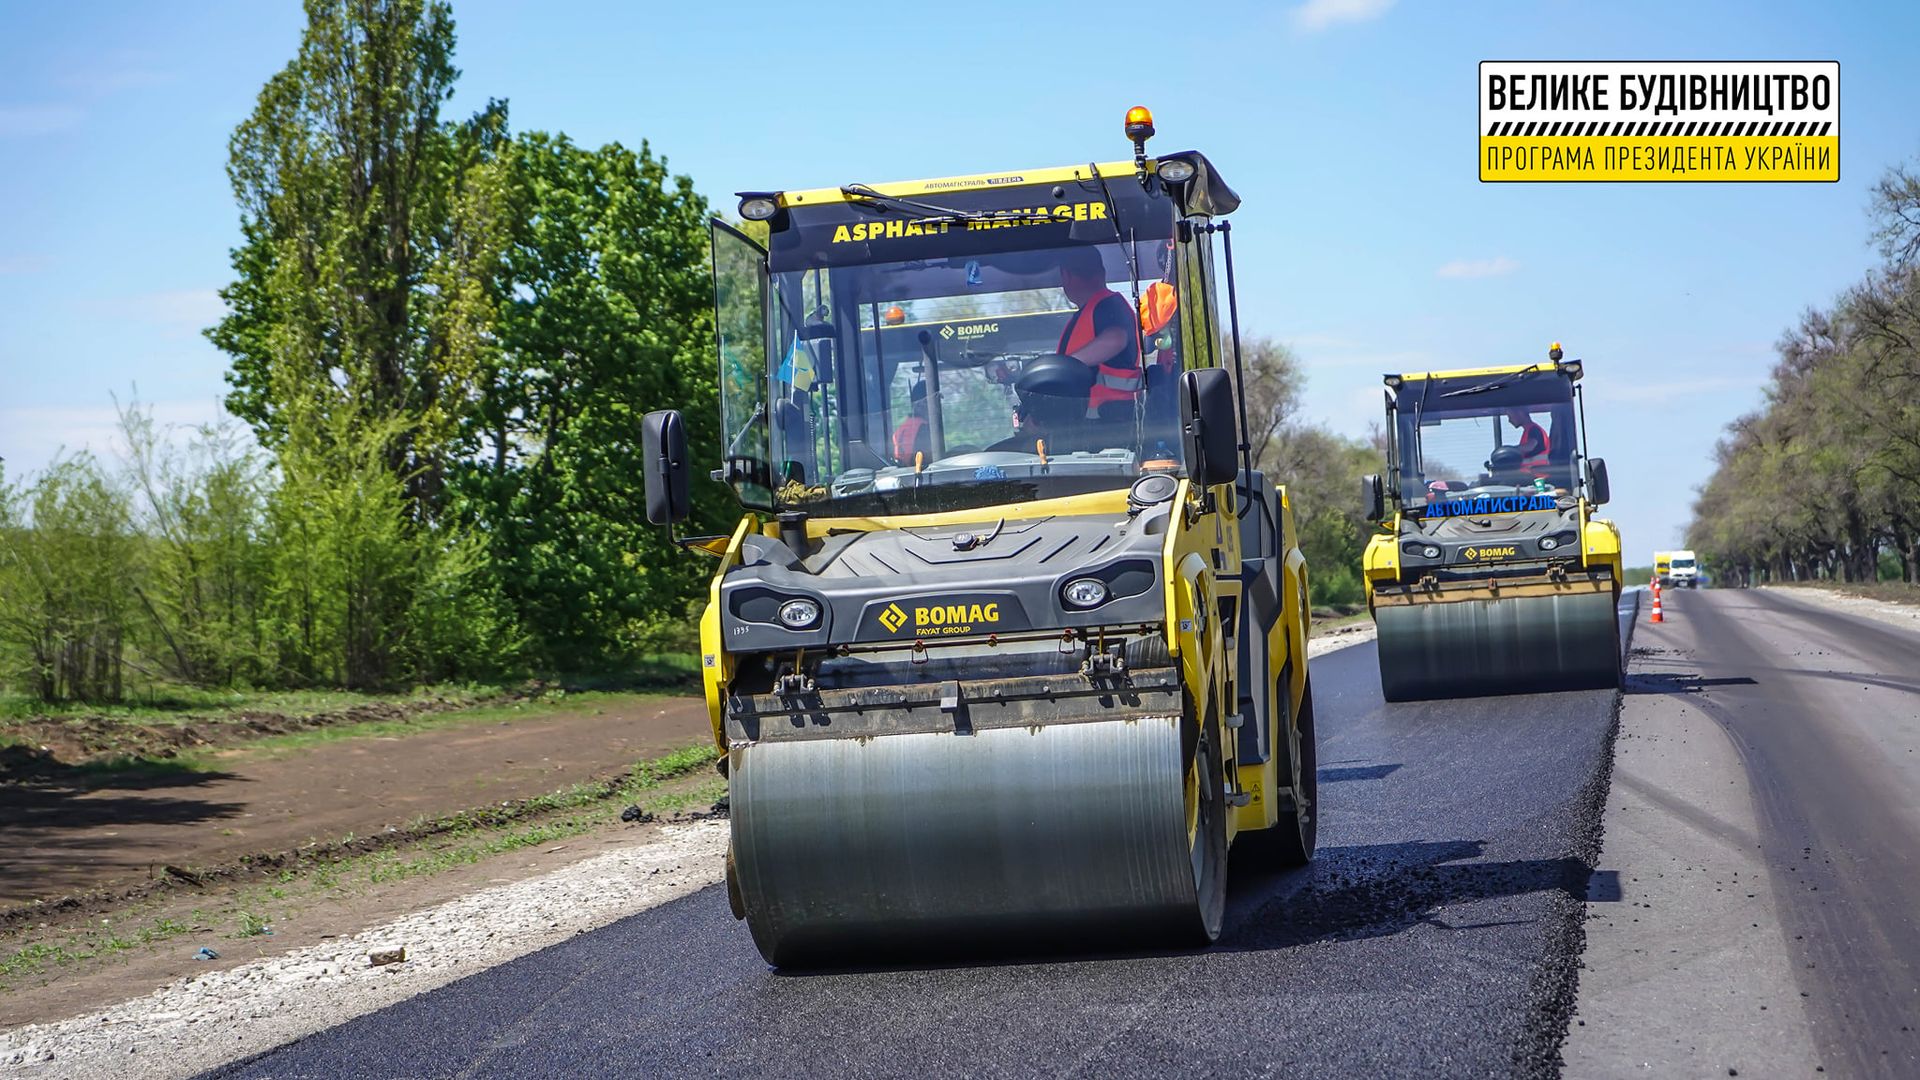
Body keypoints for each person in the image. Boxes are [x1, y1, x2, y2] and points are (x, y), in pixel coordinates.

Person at [1055, 247, 1142, 420]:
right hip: (1089, 428)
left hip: (1110, 429)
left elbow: (1116, 339)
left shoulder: (1108, 304)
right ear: (1102, 272)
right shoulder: (1091, 311)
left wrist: (1064, 368)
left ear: (1066, 276)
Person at [891, 382, 932, 465]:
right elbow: (929, 462)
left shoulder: (903, 427)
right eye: (934, 402)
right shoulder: (924, 429)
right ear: (922, 404)